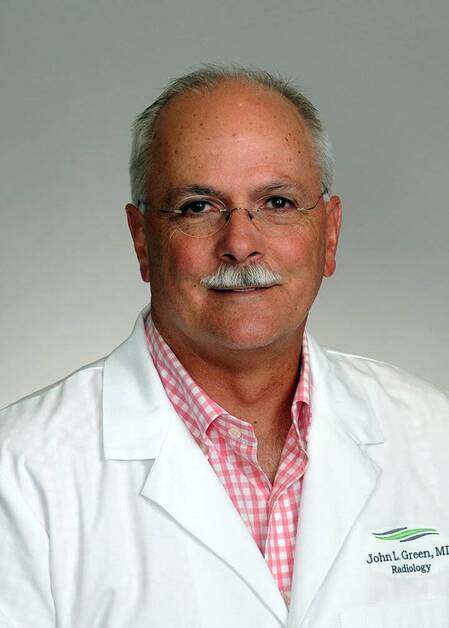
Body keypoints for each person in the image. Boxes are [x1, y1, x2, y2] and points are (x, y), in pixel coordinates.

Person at [0, 65, 448, 628]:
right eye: (198, 206)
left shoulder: (434, 439)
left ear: (330, 233)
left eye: (278, 203)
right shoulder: (20, 475)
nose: (240, 244)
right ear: (142, 241)